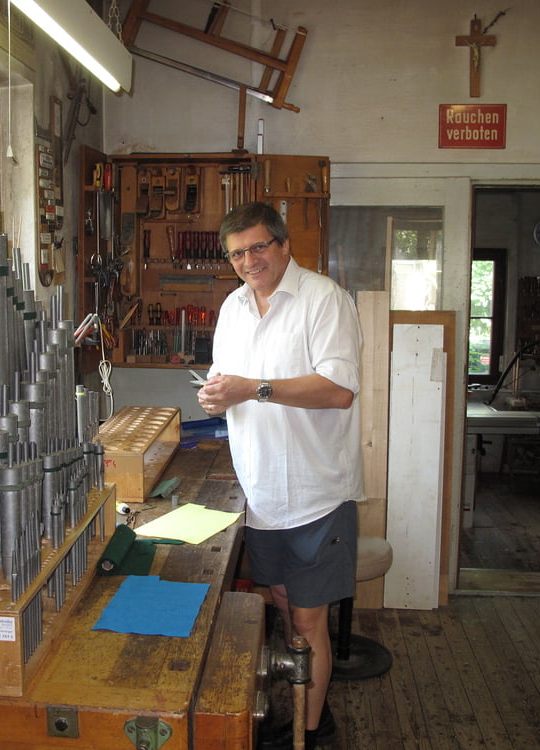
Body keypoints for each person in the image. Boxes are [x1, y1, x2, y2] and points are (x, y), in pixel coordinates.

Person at [197, 202, 363, 749]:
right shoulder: (233, 307)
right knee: (288, 611)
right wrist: (216, 396)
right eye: (237, 254)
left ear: (285, 245)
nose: (249, 261)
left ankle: (309, 735)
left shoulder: (323, 299)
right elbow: (226, 382)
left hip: (317, 494)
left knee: (310, 621)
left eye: (259, 247)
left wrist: (254, 388)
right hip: (263, 494)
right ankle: (307, 711)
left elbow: (338, 391)